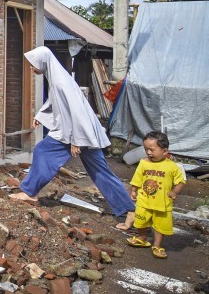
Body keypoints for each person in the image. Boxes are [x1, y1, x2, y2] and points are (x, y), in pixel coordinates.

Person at [10, 47, 135, 227]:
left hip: (76, 133)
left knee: (42, 150)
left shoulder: (61, 82)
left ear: (43, 62)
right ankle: (128, 209)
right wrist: (41, 115)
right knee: (100, 171)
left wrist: (77, 140)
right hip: (82, 132)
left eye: (33, 65)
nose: (32, 68)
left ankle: (30, 192)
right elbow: (55, 102)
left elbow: (77, 112)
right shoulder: (58, 78)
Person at [125, 131, 186, 259]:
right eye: (146, 149)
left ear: (164, 151)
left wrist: (174, 191)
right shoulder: (143, 163)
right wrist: (134, 190)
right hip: (144, 200)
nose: (148, 152)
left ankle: (157, 245)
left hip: (162, 203)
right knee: (140, 221)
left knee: (160, 226)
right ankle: (142, 237)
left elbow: (180, 181)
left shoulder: (172, 166)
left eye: (151, 149)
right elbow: (137, 178)